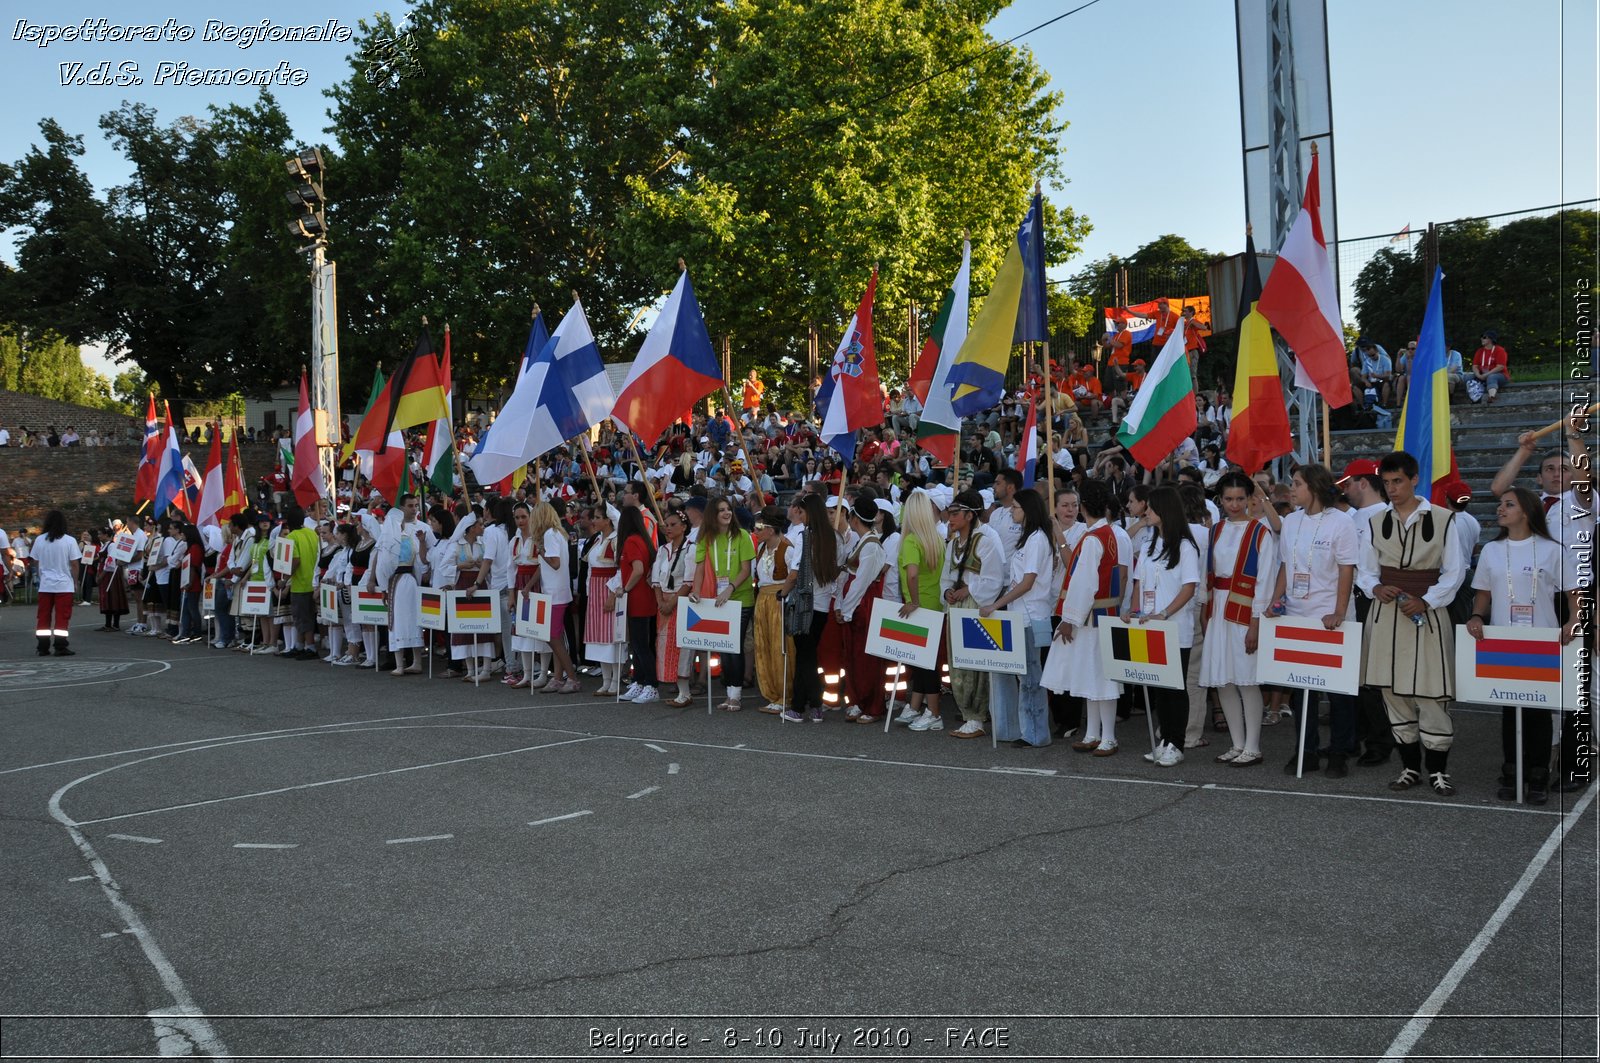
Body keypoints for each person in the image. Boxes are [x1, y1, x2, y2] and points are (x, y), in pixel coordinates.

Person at [1356, 451, 1466, 796]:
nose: (1391, 489)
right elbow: (1365, 569)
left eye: (1398, 481)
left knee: (1432, 692)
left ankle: (1438, 771)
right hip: (1386, 614)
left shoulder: (1445, 519)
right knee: (1392, 692)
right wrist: (1374, 587)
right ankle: (1409, 768)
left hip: (1428, 614)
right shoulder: (1375, 522)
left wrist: (1427, 600)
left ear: (1414, 479)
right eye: (1386, 482)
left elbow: (1455, 572)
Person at [1465, 486, 1582, 804]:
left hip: (1542, 640)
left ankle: (1538, 774)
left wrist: (1573, 620)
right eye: (1501, 504)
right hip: (1504, 640)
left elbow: (1574, 591)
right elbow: (1483, 593)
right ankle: (1511, 771)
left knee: (1538, 711)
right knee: (1510, 708)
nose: (1500, 509)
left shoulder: (1551, 549)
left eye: (1509, 504)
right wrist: (1477, 616)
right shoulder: (1491, 550)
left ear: (1527, 512)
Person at [1272, 464, 1360, 777]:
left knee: (1337, 693)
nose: (1291, 489)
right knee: (1302, 690)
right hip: (1298, 616)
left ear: (1314, 487)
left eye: (1296, 484)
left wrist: (1338, 611)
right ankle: (1306, 751)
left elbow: (1347, 569)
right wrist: (1276, 599)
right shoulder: (1291, 521)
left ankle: (1339, 751)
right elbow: (1285, 565)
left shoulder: (1341, 522)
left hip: (1330, 619)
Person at [1199, 472, 1279, 767]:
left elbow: (1265, 581)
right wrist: (1205, 613)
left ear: (1251, 498)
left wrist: (1256, 623)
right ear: (1220, 500)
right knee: (1224, 680)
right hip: (1219, 608)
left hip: (1245, 611)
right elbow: (1206, 575)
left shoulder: (1261, 532)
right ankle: (1236, 742)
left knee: (1247, 679)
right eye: (1229, 499)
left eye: (1240, 499)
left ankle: (1253, 746)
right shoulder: (1215, 530)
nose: (1234, 504)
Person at [1043, 481, 1121, 752]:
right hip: (1101, 613)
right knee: (1093, 675)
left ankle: (1108, 736)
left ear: (1084, 506)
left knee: (1101, 676)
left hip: (1092, 616)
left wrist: (1069, 619)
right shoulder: (1106, 532)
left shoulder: (1091, 539)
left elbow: (1083, 584)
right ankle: (1093, 732)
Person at [941, 489, 1006, 739]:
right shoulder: (953, 544)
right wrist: (947, 591)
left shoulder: (986, 541)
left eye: (955, 514)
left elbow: (994, 578)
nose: (950, 519)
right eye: (950, 513)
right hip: (957, 608)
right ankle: (967, 713)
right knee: (957, 662)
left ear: (969, 515)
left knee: (975, 664)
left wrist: (968, 589)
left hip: (974, 607)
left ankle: (977, 716)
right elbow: (946, 576)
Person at [780, 492, 842, 723]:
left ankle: (813, 704)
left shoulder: (806, 536)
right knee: (807, 655)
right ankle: (798, 704)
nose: (800, 515)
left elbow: (794, 573)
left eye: (802, 512)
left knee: (805, 658)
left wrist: (782, 593)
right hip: (823, 604)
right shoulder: (832, 537)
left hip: (805, 603)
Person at [890, 491, 946, 732]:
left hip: (920, 605)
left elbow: (912, 573)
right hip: (934, 604)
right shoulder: (935, 538)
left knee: (924, 664)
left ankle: (933, 712)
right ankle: (917, 706)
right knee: (925, 661)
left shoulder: (912, 540)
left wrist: (913, 600)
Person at [694, 496, 756, 710]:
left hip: (740, 598)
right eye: (721, 510)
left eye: (728, 509)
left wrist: (730, 588)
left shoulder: (743, 536)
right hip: (718, 599)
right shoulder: (706, 538)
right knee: (724, 647)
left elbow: (746, 570)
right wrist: (695, 591)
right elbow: (700, 568)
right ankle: (730, 693)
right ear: (713, 514)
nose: (727, 513)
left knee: (734, 646)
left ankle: (735, 695)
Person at [836, 497, 888, 724]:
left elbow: (862, 582)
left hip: (865, 604)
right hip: (856, 603)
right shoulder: (862, 542)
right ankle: (856, 700)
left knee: (867, 658)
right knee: (853, 656)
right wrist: (841, 603)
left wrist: (846, 608)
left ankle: (873, 705)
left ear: (855, 518)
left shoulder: (872, 546)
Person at [614, 505, 659, 704]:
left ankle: (651, 684)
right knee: (641, 644)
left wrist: (625, 588)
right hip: (645, 598)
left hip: (637, 598)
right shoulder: (644, 540)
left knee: (640, 645)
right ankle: (641, 681)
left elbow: (638, 569)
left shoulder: (631, 542)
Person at [582, 507, 625, 695]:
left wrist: (612, 594)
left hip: (609, 590)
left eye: (598, 518)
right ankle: (606, 681)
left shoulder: (616, 540)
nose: (594, 521)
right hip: (595, 591)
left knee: (612, 637)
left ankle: (616, 680)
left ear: (608, 520)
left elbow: (622, 569)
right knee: (599, 637)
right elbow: (591, 568)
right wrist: (589, 592)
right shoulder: (598, 539)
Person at [32, 510, 81, 656]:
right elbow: (74, 564)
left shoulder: (40, 540)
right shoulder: (69, 541)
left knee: (43, 616)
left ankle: (42, 647)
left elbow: (35, 560)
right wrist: (75, 581)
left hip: (46, 584)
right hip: (64, 584)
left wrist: (42, 572)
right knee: (62, 617)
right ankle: (60, 646)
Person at [1470, 330, 1510, 403]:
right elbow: (1475, 366)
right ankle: (1474, 398)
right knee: (1467, 377)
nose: (1482, 339)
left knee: (1491, 377)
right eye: (1481, 337)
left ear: (1491, 339)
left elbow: (1500, 367)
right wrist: (1478, 375)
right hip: (1483, 374)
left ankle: (1491, 396)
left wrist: (1486, 375)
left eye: (1484, 337)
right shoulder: (1480, 351)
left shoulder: (1500, 350)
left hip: (1500, 375)